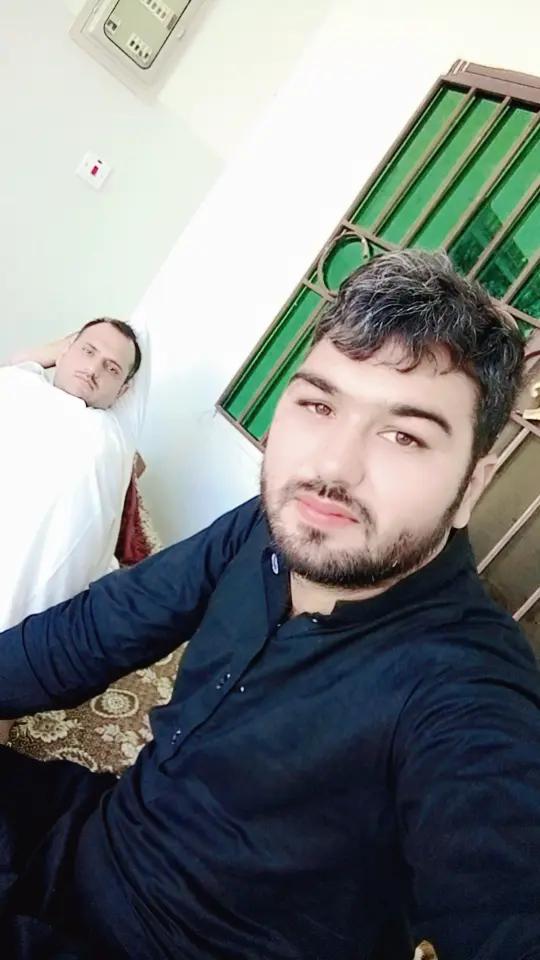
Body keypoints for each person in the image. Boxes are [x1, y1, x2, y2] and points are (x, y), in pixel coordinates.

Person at [0, 250, 538, 960]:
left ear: (472, 485)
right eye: (318, 405)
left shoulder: (467, 689)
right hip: (94, 842)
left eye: (404, 435)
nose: (332, 467)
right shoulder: (264, 527)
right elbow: (89, 634)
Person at [0, 317, 149, 631]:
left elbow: (136, 465)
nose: (93, 370)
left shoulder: (110, 437)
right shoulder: (17, 383)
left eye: (111, 368)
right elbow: (17, 361)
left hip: (33, 612)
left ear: (123, 390)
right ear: (64, 351)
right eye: (88, 351)